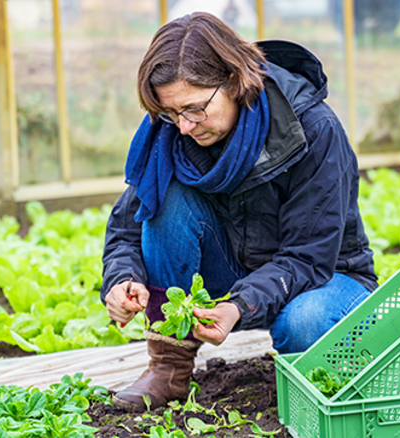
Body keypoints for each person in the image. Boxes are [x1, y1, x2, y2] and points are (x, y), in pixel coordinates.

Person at [100, 12, 378, 412]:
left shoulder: (312, 130)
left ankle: (316, 374)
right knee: (163, 201)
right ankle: (168, 368)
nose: (183, 126)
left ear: (234, 80)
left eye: (195, 109)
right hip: (234, 270)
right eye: (171, 112)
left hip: (324, 277)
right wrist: (122, 278)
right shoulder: (172, 130)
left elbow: (308, 256)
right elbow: (129, 226)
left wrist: (238, 305)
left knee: (303, 324)